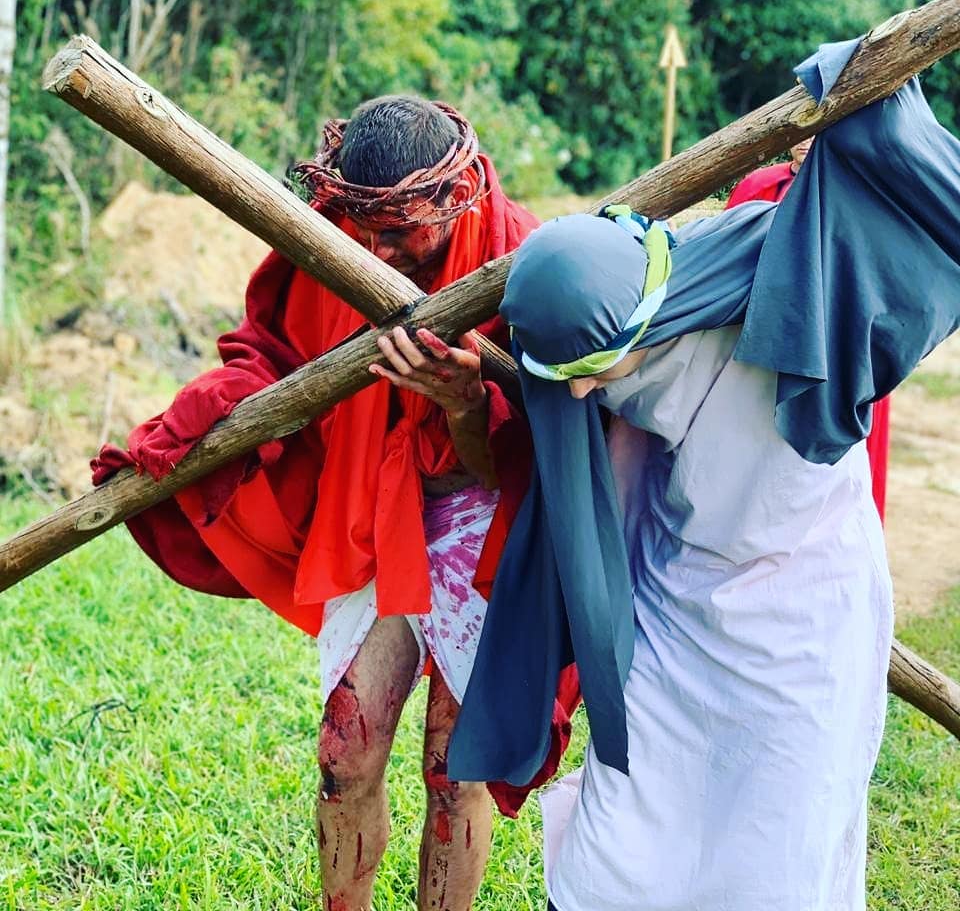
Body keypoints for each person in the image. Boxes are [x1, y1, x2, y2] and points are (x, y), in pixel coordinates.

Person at [444, 44, 960, 910]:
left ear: (634, 325)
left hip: (803, 623)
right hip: (676, 602)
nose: (578, 392)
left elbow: (927, 203)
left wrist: (856, 91)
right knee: (622, 850)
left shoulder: (800, 285)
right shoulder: (632, 283)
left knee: (771, 857)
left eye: (590, 370)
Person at [92, 95, 576, 911]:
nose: (379, 251)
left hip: (485, 521)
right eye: (365, 228)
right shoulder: (328, 239)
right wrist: (206, 415)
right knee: (344, 757)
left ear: (455, 197)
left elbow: (534, 457)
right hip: (374, 510)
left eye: (401, 231)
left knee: (454, 768)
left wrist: (464, 404)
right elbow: (270, 351)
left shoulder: (523, 260)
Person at [726, 135, 891, 520]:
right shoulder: (759, 187)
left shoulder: (862, 190)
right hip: (763, 344)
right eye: (802, 129)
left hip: (840, 345)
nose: (807, 140)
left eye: (821, 128)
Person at [724, 136, 812, 207]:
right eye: (801, 134)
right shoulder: (757, 183)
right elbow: (730, 220)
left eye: (812, 135)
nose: (804, 141)